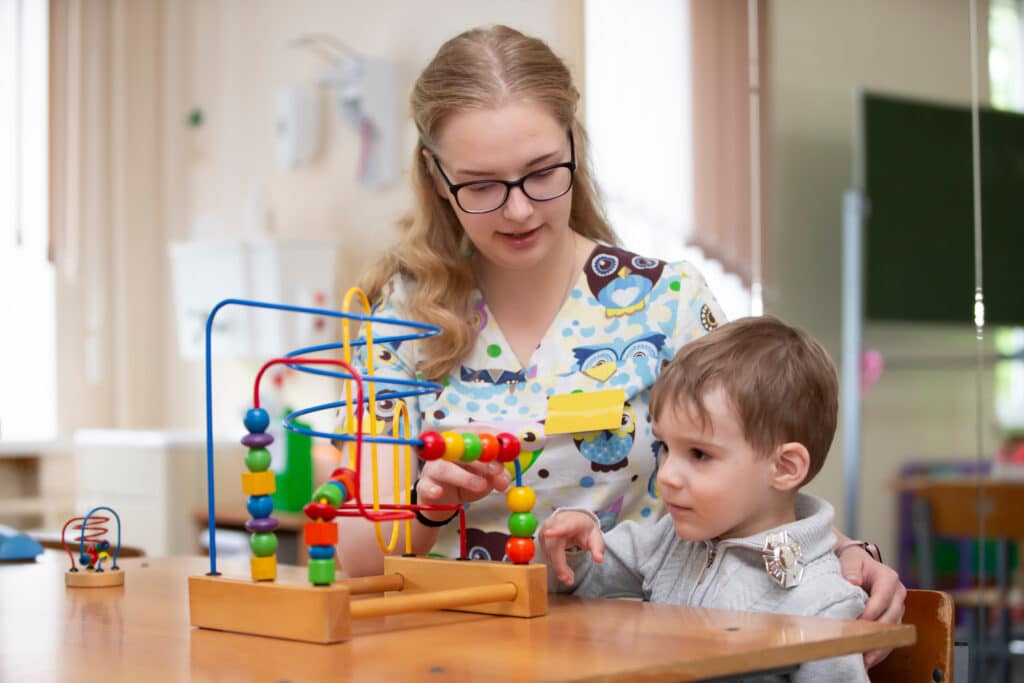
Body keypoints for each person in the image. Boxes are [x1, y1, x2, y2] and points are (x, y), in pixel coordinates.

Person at [331, 25, 904, 663]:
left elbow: (758, 470)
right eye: (482, 185)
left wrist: (848, 554)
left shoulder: (668, 303)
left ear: (574, 147)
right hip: (442, 653)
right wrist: (426, 510)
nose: (519, 210)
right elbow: (355, 561)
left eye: (542, 172)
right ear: (438, 179)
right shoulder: (399, 320)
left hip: (631, 657)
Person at [537, 316, 868, 682]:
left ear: (785, 467)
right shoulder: (666, 541)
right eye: (665, 447)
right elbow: (577, 582)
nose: (665, 475)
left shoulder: (823, 602)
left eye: (698, 454)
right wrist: (575, 544)